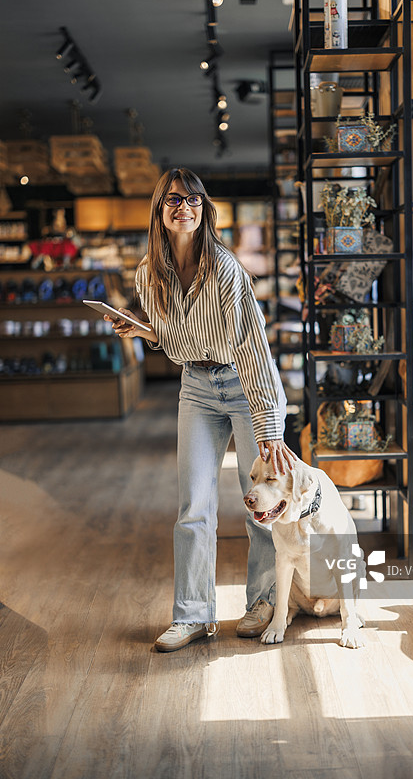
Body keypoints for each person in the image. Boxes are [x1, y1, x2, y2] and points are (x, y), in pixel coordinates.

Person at [105, 167, 296, 652]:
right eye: (173, 200)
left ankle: (264, 601)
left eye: (193, 200)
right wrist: (144, 331)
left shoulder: (225, 268)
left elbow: (251, 345)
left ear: (204, 209)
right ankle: (192, 615)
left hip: (243, 381)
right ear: (160, 210)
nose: (183, 207)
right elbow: (179, 342)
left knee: (261, 505)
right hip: (195, 385)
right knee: (193, 507)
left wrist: (269, 423)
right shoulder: (149, 273)